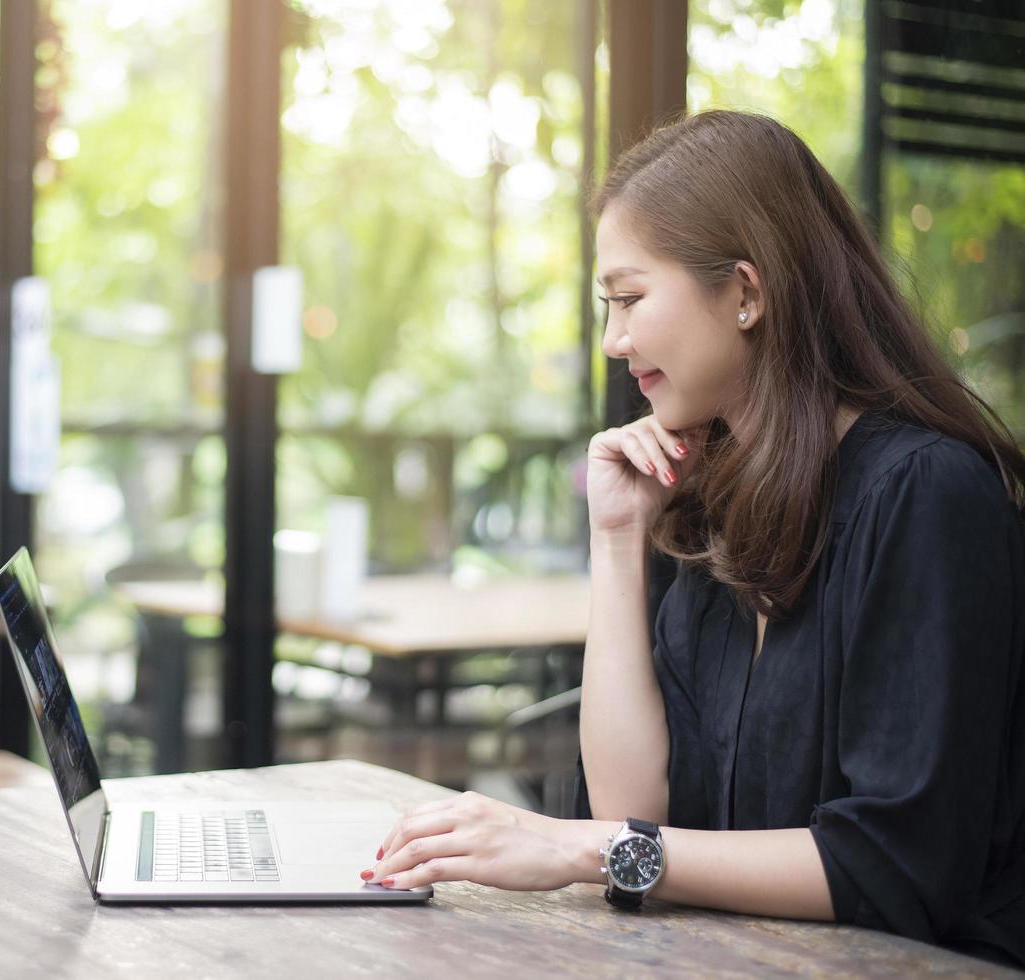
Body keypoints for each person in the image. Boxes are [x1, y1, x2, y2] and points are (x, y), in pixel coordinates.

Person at [360, 109, 1025, 967]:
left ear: (747, 292)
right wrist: (615, 538)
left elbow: (894, 865)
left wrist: (571, 850)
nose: (613, 342)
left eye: (630, 299)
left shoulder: (925, 494)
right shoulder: (722, 497)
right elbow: (634, 806)